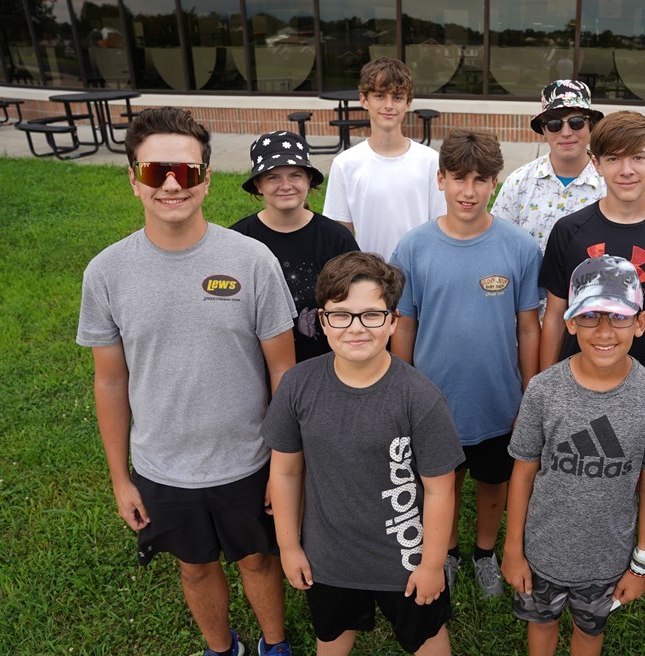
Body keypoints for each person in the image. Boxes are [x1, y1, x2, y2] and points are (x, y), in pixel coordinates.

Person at [76, 107, 298, 656]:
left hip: (249, 459)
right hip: (163, 466)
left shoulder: (252, 260)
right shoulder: (106, 273)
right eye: (156, 171)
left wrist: (281, 463)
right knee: (195, 567)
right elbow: (110, 380)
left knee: (258, 560)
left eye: (186, 171)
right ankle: (222, 650)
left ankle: (275, 645)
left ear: (206, 178)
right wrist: (120, 478)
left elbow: (283, 371)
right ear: (133, 179)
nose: (172, 185)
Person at [264, 252, 465, 656]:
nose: (356, 327)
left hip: (405, 558)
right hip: (328, 558)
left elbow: (440, 489)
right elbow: (285, 471)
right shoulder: (298, 386)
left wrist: (432, 565)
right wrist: (288, 545)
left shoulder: (419, 398)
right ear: (322, 321)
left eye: (372, 314)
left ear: (393, 321)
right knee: (331, 634)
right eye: (341, 315)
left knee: (427, 635)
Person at [503, 255, 645, 656]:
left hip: (608, 560)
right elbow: (523, 473)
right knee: (542, 624)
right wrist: (513, 550)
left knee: (589, 630)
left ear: (640, 323)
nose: (604, 331)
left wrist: (641, 565)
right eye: (589, 316)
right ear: (569, 322)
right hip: (542, 552)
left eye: (619, 317)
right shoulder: (543, 391)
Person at [391, 128, 542, 598]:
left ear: (495, 182)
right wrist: (402, 389)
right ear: (441, 180)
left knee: (494, 482)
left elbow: (528, 327)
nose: (469, 191)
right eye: (459, 178)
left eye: (480, 180)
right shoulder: (413, 247)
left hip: (497, 398)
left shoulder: (519, 247)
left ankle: (484, 552)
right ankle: (450, 551)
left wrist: (529, 391)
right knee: (444, 482)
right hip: (433, 399)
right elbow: (405, 325)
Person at [538, 110, 645, 400]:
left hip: (644, 388)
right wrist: (545, 388)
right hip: (574, 387)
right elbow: (554, 316)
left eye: (637, 157)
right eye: (613, 158)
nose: (626, 170)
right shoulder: (569, 231)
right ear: (597, 164)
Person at [231, 130, 359, 362]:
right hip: (258, 367)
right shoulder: (238, 240)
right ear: (258, 184)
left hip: (327, 365)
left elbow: (358, 304)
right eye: (273, 177)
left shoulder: (337, 239)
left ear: (308, 180)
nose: (285, 185)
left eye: (295, 175)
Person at [322, 56, 446, 260]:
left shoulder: (431, 161)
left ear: (408, 103)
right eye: (379, 96)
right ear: (364, 100)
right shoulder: (345, 164)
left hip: (419, 270)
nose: (388, 105)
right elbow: (339, 236)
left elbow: (441, 228)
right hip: (368, 274)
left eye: (397, 97)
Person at [491, 79, 606, 254]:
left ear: (590, 125)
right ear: (544, 130)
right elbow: (498, 243)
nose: (566, 133)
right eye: (554, 124)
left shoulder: (610, 183)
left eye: (576, 122)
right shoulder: (518, 182)